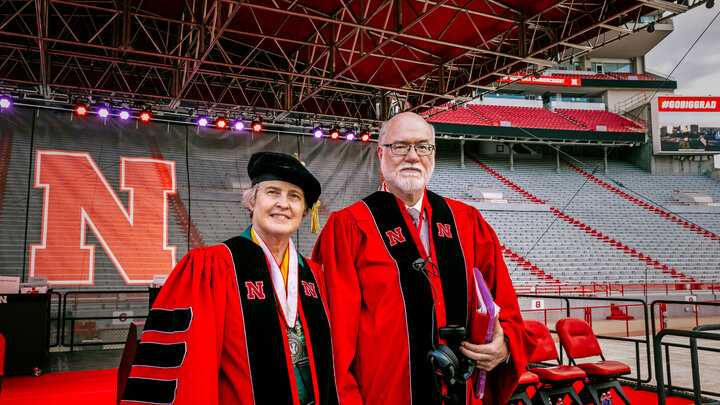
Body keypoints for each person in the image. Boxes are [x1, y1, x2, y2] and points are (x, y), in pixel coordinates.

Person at [312, 112, 536, 405]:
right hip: (385, 395)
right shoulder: (350, 227)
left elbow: (503, 304)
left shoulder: (466, 222)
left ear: (433, 153)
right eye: (400, 146)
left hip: (459, 392)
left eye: (422, 146)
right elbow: (334, 336)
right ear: (381, 153)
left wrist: (504, 346)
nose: (412, 156)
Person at [121, 152, 339, 405]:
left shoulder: (314, 276)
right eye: (272, 192)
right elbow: (191, 368)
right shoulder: (212, 267)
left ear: (304, 211)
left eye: (294, 196)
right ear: (251, 201)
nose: (283, 203)